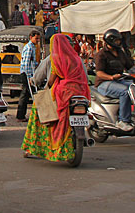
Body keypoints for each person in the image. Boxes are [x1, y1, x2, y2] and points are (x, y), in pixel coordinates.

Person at [22, 34, 91, 162]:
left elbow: (50, 79)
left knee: (38, 111)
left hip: (63, 92)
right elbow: (85, 77)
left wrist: (46, 89)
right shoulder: (77, 59)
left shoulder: (54, 59)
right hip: (80, 92)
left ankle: (35, 147)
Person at [94, 29, 135, 131]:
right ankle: (123, 121)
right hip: (105, 83)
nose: (118, 42)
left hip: (120, 80)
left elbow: (130, 66)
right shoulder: (102, 54)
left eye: (119, 40)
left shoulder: (120, 52)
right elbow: (99, 73)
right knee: (125, 92)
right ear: (110, 41)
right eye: (116, 41)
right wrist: (111, 77)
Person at [16, 30, 41, 122]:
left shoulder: (33, 47)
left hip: (30, 73)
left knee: (26, 94)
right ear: (31, 37)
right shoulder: (29, 47)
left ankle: (22, 115)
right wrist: (29, 77)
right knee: (25, 94)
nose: (37, 40)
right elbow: (26, 64)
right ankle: (20, 115)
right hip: (26, 74)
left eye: (38, 38)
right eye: (36, 38)